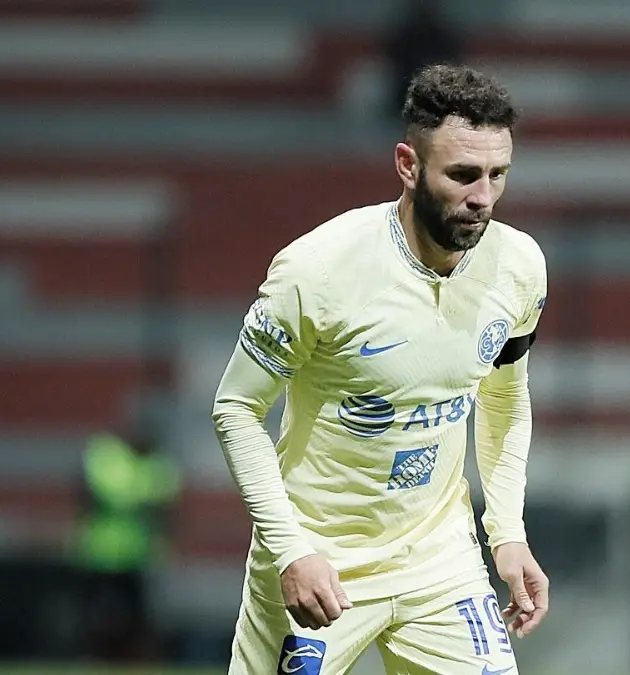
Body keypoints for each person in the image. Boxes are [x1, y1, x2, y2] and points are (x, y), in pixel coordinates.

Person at [211, 64, 549, 675]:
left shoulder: (518, 266)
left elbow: (504, 398)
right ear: (408, 165)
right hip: (319, 558)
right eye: (462, 175)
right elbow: (236, 408)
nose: (482, 197)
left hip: (439, 559)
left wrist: (507, 533)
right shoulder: (319, 271)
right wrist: (290, 551)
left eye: (498, 174)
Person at [76, 430, 181, 661]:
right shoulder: (107, 456)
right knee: (96, 610)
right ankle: (94, 655)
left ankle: (132, 656)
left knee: (136, 613)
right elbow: (112, 495)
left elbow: (166, 499)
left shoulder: (154, 464)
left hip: (136, 554)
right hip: (101, 552)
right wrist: (142, 495)